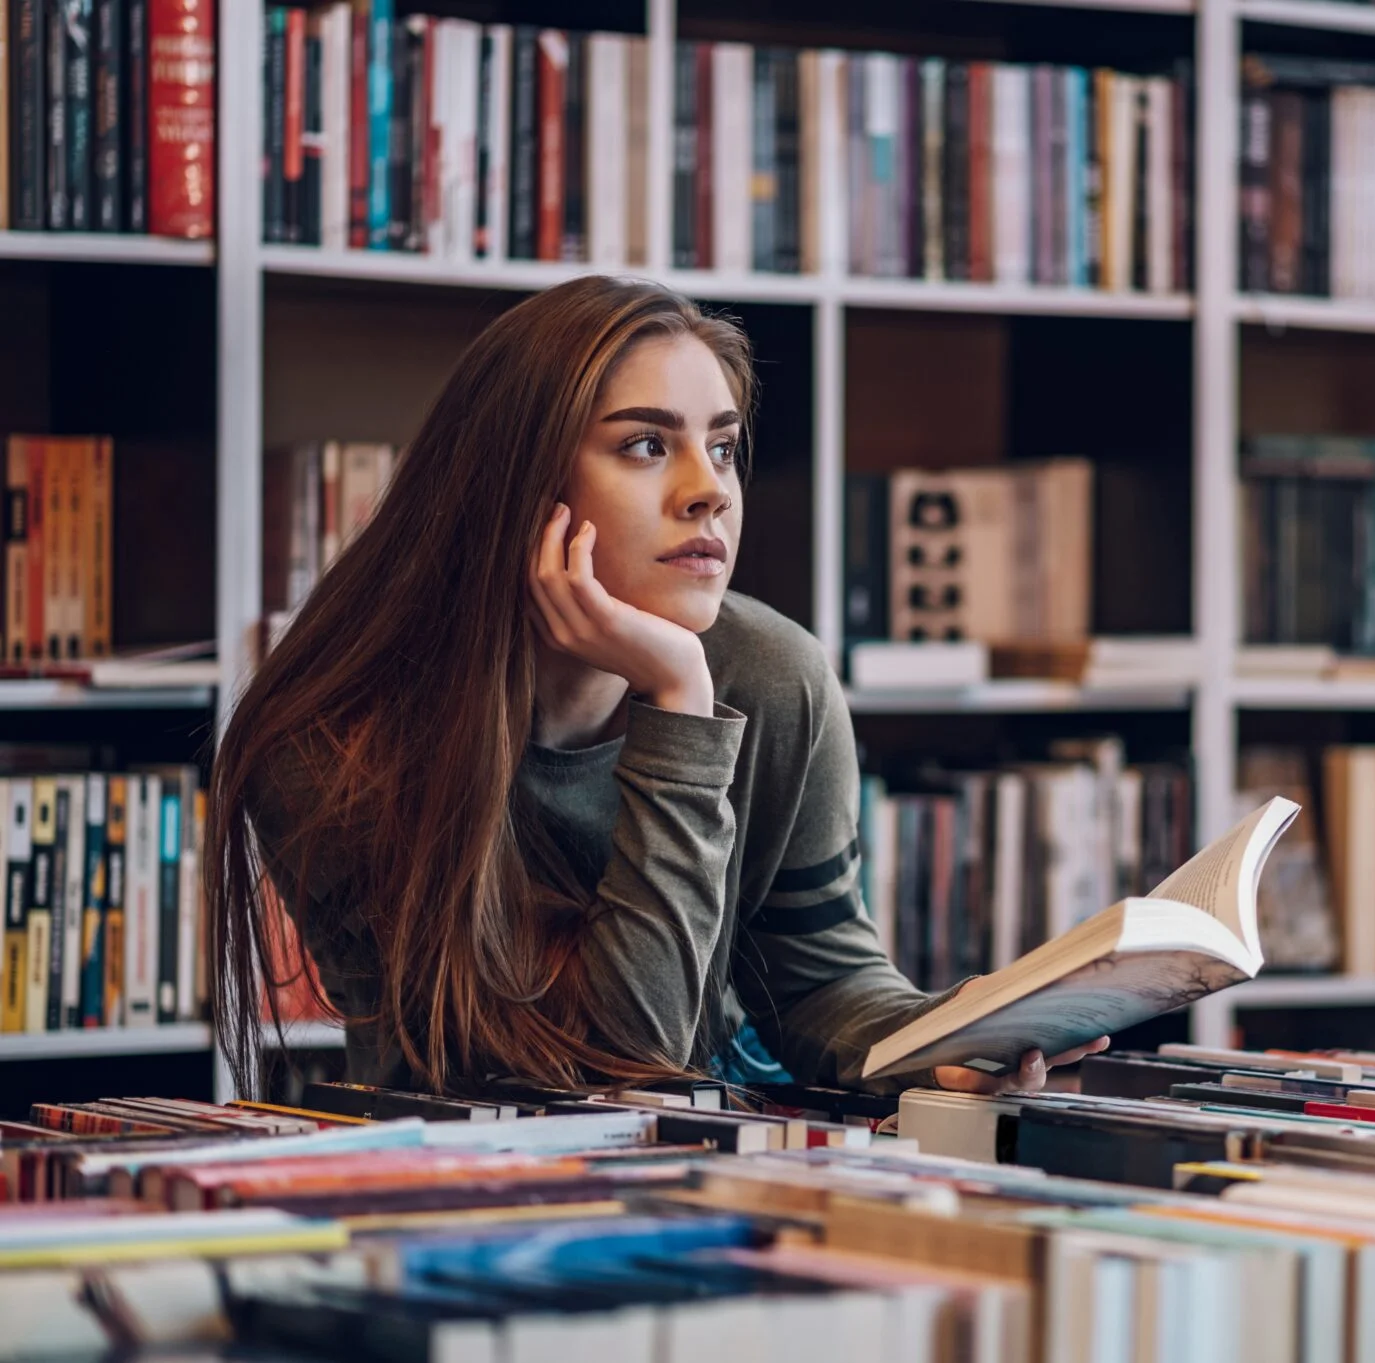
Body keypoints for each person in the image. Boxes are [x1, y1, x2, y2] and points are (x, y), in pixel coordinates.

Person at [208, 277, 1107, 1098]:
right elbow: (614, 1065)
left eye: (722, 447)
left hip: (730, 1161)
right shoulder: (334, 743)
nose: (708, 492)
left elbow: (821, 982)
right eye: (646, 445)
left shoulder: (774, 676)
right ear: (517, 485)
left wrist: (946, 1033)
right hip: (470, 1182)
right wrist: (680, 702)